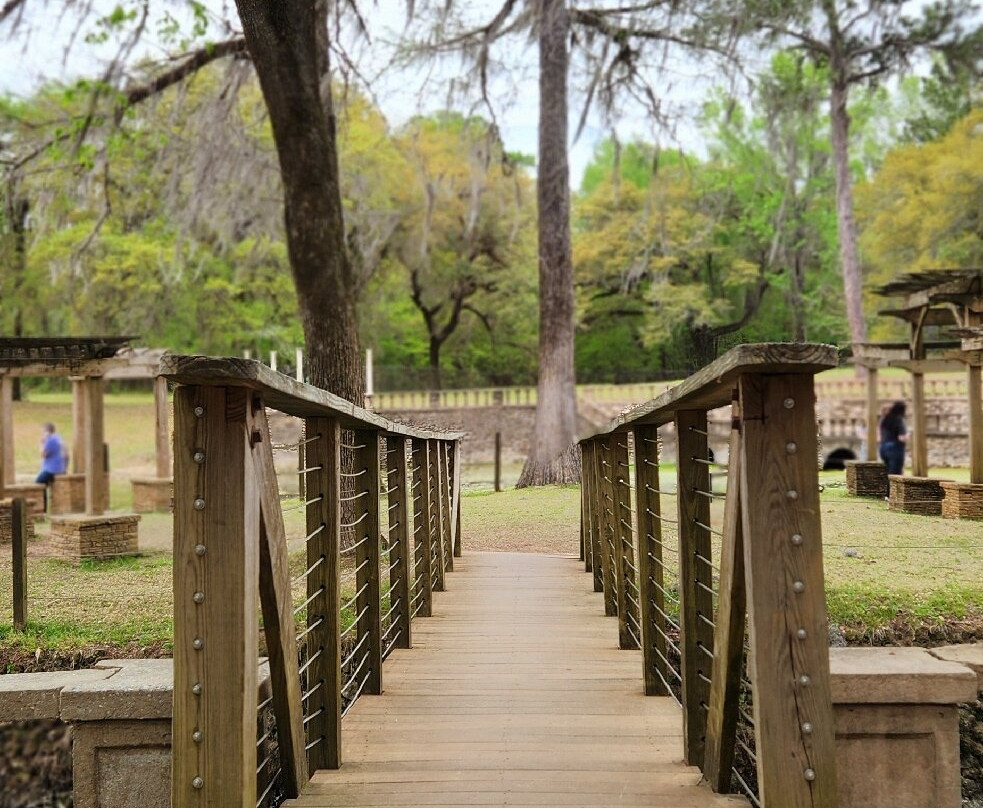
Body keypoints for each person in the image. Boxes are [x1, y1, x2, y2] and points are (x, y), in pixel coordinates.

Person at [878, 401, 908, 475]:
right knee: (896, 475)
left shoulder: (884, 419)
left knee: (887, 473)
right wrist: (909, 435)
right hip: (895, 447)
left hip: (883, 447)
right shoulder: (899, 419)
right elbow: (901, 437)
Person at [35, 422, 68, 487]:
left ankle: (43, 497)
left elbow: (43, 454)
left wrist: (41, 443)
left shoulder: (50, 440)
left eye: (42, 432)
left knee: (38, 484)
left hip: (52, 470)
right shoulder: (58, 437)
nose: (42, 434)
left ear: (47, 431)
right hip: (61, 468)